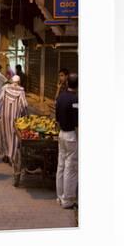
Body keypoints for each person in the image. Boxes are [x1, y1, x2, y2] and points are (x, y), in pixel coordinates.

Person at [55, 73, 78, 209]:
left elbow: (57, 117)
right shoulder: (75, 100)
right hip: (70, 135)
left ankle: (59, 196)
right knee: (71, 167)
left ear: (67, 83)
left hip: (61, 134)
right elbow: (77, 122)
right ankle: (68, 200)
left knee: (61, 165)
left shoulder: (61, 97)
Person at [0, 75, 28, 165]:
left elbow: (0, 101)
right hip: (15, 117)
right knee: (14, 136)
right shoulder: (21, 91)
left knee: (5, 134)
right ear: (19, 82)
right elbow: (24, 105)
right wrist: (26, 116)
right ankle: (12, 156)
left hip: (4, 116)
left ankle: (6, 155)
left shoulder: (5, 88)